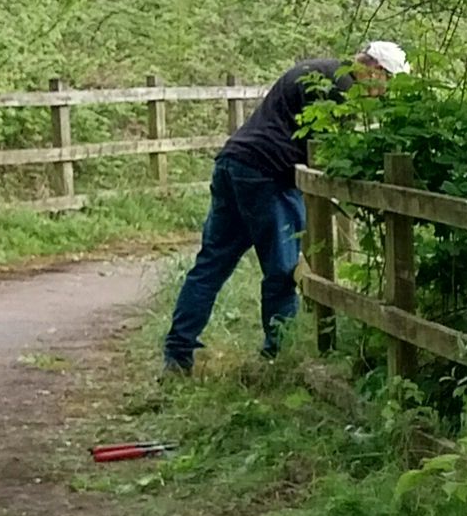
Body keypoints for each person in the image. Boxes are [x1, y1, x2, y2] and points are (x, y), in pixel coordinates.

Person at [162, 41, 404, 371]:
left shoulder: (320, 70)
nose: (384, 93)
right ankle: (278, 355)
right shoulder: (342, 87)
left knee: (211, 265)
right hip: (268, 174)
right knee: (282, 270)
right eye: (387, 82)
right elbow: (326, 150)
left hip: (234, 162)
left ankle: (177, 354)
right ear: (375, 70)